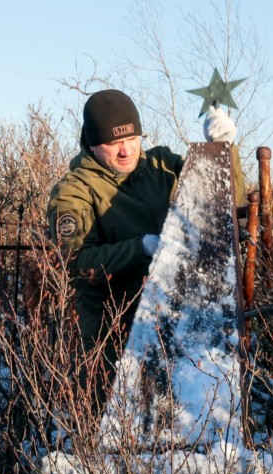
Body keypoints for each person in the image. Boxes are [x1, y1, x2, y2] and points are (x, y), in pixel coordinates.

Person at [47, 88, 245, 416]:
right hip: (110, 333)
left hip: (177, 322)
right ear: (93, 144)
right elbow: (76, 263)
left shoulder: (163, 166)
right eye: (113, 143)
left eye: (133, 138)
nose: (126, 150)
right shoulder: (74, 192)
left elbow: (222, 205)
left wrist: (221, 150)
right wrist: (142, 248)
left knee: (187, 426)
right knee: (117, 432)